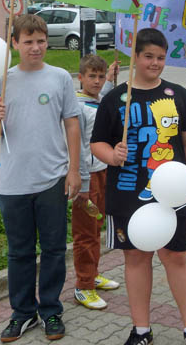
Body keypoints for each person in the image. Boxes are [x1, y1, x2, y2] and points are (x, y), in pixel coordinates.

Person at [90, 29, 186, 345]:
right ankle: (141, 330)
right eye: (148, 57)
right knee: (136, 259)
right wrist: (111, 155)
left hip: (172, 194)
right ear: (136, 57)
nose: (155, 63)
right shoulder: (115, 99)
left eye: (160, 57)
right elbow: (96, 143)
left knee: (177, 257)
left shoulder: (177, 94)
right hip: (127, 195)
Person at [0, 14, 82, 342]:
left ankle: (51, 310)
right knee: (20, 252)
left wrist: (74, 169)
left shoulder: (60, 78)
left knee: (54, 249)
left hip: (52, 179)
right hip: (14, 183)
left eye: (40, 41)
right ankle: (23, 313)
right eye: (28, 42)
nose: (36, 47)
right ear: (15, 43)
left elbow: (72, 123)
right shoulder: (1, 81)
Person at [73, 55, 121, 311]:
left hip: (103, 171)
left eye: (101, 76)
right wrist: (81, 182)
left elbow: (105, 101)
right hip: (86, 176)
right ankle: (83, 286)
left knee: (97, 227)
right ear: (80, 77)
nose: (97, 81)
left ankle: (92, 274)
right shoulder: (77, 106)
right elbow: (77, 146)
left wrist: (112, 78)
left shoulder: (99, 100)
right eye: (91, 76)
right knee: (85, 232)